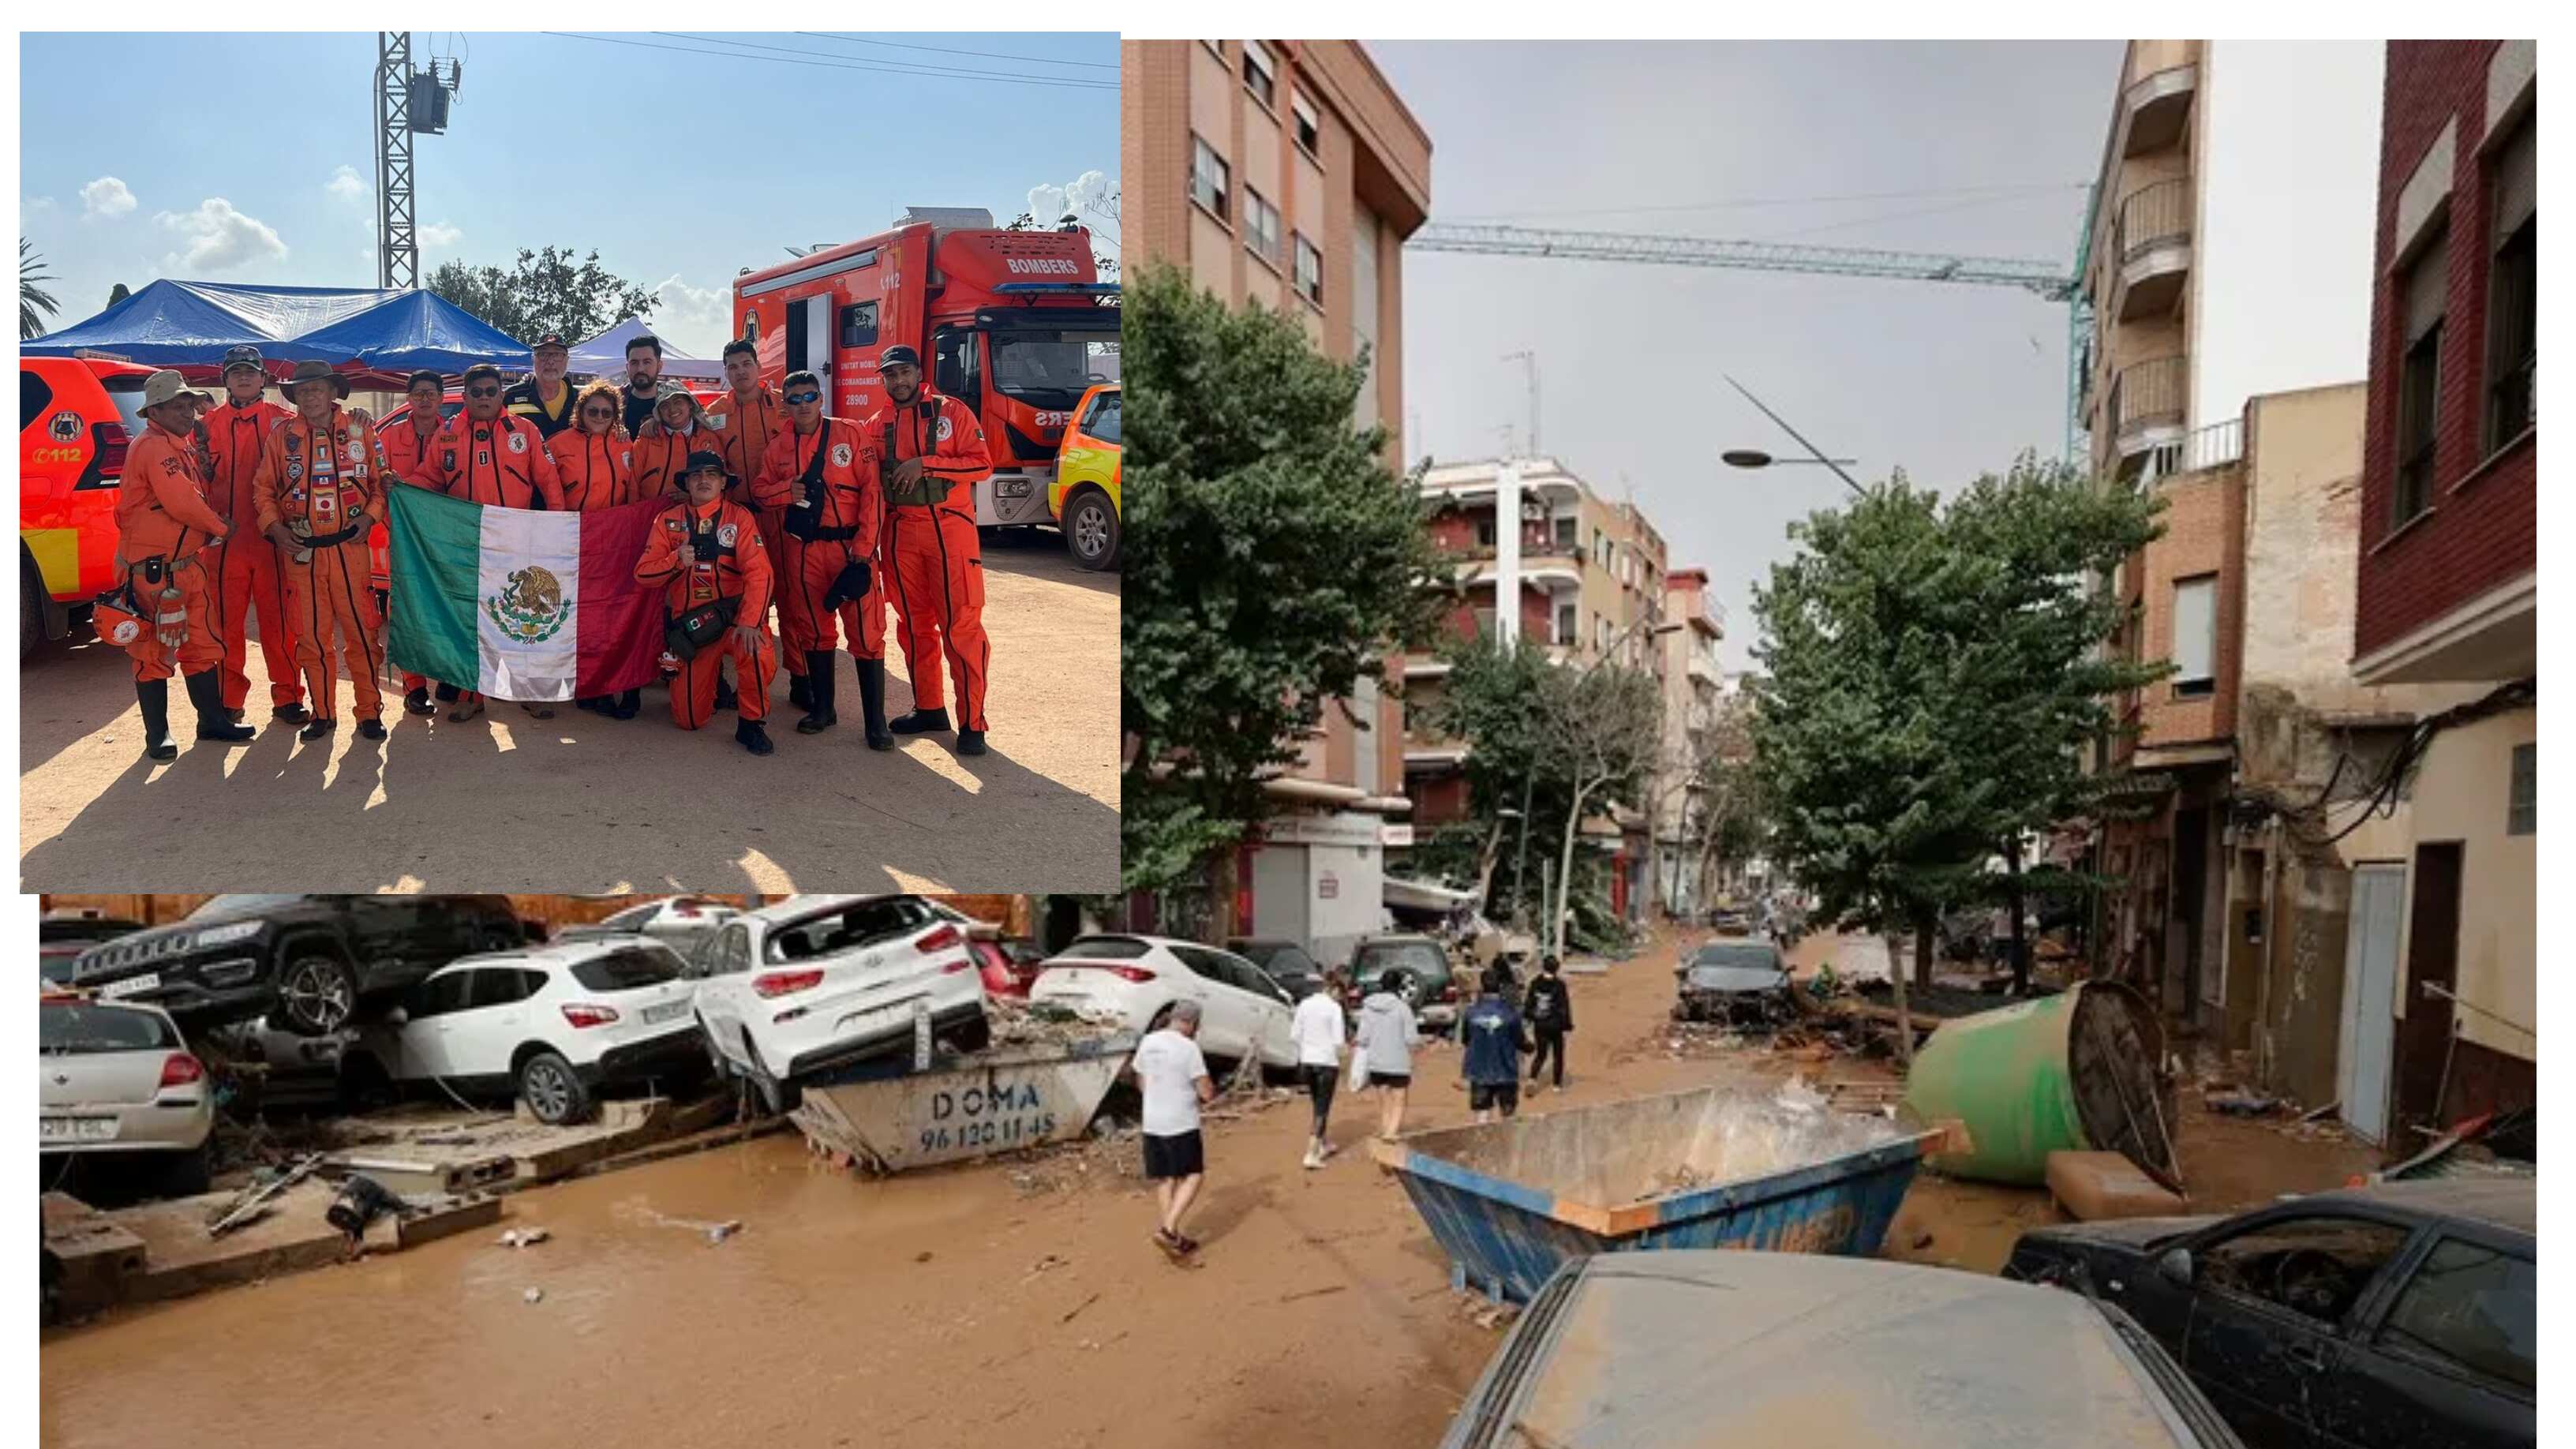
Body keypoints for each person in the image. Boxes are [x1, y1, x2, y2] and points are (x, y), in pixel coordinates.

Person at [113, 369, 259, 760]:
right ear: (155, 410)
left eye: (189, 405)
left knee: (201, 644)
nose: (188, 413)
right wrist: (219, 527)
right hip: (153, 572)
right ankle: (156, 735)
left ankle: (211, 722)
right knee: (151, 650)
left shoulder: (179, 446)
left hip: (185, 567)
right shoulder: (153, 448)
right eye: (178, 406)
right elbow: (182, 502)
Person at [861, 343, 994, 756]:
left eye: (903, 372)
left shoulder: (951, 412)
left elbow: (983, 465)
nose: (897, 381)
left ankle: (973, 723)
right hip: (900, 535)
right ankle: (930, 707)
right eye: (889, 374)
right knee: (913, 626)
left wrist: (927, 464)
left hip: (949, 533)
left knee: (960, 628)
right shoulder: (875, 423)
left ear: (918, 372)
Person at [251, 360, 394, 743]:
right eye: (302, 390)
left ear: (333, 392)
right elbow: (263, 488)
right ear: (294, 396)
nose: (310, 395)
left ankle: (369, 713)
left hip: (351, 549)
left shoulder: (362, 429)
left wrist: (370, 517)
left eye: (317, 388)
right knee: (311, 638)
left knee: (363, 635)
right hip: (302, 553)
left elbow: (381, 484)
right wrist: (274, 528)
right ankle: (323, 713)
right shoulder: (282, 437)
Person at [753, 369, 889, 746]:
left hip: (851, 550)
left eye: (809, 396)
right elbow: (760, 492)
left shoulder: (850, 433)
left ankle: (875, 723)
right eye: (794, 399)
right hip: (804, 550)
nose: (802, 405)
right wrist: (786, 490)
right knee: (814, 630)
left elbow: (873, 493)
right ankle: (823, 709)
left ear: (821, 398)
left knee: (866, 633)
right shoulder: (778, 447)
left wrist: (863, 552)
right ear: (785, 404)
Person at [431, 362, 567, 721]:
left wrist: (555, 527)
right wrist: (396, 486)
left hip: (516, 539)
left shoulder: (524, 430)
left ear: (501, 394)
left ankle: (528, 691)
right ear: (466, 396)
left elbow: (549, 481)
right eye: (476, 392)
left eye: (491, 391)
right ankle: (471, 694)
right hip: (467, 540)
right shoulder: (446, 434)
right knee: (470, 620)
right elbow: (427, 477)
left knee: (521, 617)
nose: (484, 398)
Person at [634, 449, 777, 754]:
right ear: (686, 483)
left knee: (756, 650)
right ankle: (711, 686)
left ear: (724, 482)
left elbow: (760, 573)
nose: (703, 480)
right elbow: (642, 575)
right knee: (689, 720)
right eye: (696, 475)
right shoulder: (668, 520)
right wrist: (675, 561)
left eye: (711, 474)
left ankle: (751, 724)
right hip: (695, 628)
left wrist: (751, 622)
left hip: (736, 620)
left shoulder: (739, 517)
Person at [200, 344, 306, 726]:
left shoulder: (285, 422)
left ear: (264, 378)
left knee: (280, 625)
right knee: (225, 627)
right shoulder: (205, 425)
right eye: (235, 372)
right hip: (223, 546)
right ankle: (230, 700)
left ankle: (288, 697)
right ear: (225, 379)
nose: (243, 377)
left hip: (272, 543)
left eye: (250, 371)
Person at [706, 338, 800, 708]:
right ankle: (730, 677)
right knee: (734, 594)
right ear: (725, 372)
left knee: (790, 598)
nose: (740, 372)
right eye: (732, 367)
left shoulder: (782, 405)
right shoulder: (715, 412)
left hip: (781, 512)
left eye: (746, 364)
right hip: (737, 516)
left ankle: (800, 677)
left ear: (759, 367)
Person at [549, 380, 642, 717]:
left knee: (606, 614)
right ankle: (582, 685)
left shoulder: (625, 444)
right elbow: (545, 488)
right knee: (575, 613)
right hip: (572, 538)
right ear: (581, 412)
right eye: (593, 411)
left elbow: (634, 490)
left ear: (615, 415)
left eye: (607, 412)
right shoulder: (558, 443)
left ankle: (601, 682)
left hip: (613, 539)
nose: (599, 416)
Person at [377, 369, 449, 717]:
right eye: (418, 393)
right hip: (402, 537)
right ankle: (414, 686)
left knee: (448, 607)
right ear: (409, 398)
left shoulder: (454, 434)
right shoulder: (389, 437)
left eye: (431, 393)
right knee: (405, 611)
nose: (424, 399)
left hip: (445, 537)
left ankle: (450, 675)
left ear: (439, 398)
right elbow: (372, 480)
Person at [1129, 998, 1216, 1261]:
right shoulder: (1189, 1048)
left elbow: (1141, 1079)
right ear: (1191, 1023)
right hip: (1181, 1122)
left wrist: (1157, 1095)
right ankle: (1167, 1231)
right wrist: (1208, 1093)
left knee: (1167, 1178)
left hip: (1153, 1121)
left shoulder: (1148, 1041)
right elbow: (1205, 1091)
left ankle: (1173, 1234)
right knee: (1194, 1175)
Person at [1291, 969, 1350, 1170]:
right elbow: (1338, 1041)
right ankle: (1311, 1153)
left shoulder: (1304, 1005)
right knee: (1322, 1109)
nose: (1341, 999)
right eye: (1340, 995)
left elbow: (1295, 1035)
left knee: (1317, 1104)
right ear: (1334, 989)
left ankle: (1323, 1144)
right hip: (1326, 1063)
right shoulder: (1334, 1008)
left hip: (1307, 1062)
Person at [1354, 972, 1424, 1140]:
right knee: (1399, 1100)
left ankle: (1386, 1130)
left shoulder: (1368, 1008)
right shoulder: (1402, 1008)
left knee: (1385, 1102)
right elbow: (1411, 1039)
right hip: (1398, 1063)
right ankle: (1391, 1133)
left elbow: (1362, 1038)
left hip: (1376, 1062)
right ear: (1399, 987)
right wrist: (1420, 1044)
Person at [1459, 966, 1532, 1124]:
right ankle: (1508, 1146)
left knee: (1482, 1114)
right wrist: (1530, 1048)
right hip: (1506, 1070)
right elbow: (1520, 1041)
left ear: (1482, 986)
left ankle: (1481, 1146)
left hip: (1479, 1071)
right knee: (1508, 1114)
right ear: (1500, 986)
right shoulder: (1511, 1013)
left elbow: (1465, 1040)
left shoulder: (1471, 1013)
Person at [632, 387, 719, 503]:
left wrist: (695, 496)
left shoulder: (708, 439)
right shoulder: (647, 438)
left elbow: (720, 480)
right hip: (649, 514)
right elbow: (632, 481)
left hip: (694, 513)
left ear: (690, 404)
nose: (672, 409)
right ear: (659, 413)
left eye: (678, 402)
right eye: (665, 406)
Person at [500, 334, 581, 441]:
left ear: (567, 360)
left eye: (557, 355)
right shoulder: (510, 397)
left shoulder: (580, 400)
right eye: (543, 354)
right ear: (533, 359)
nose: (550, 361)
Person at [1523, 954, 1574, 1093]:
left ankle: (1532, 1079)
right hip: (1555, 1026)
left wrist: (1529, 1018)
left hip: (1540, 1025)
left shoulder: (1535, 983)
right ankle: (1556, 1085)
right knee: (1558, 1055)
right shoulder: (1559, 985)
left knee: (1541, 1054)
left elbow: (1529, 1004)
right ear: (1556, 969)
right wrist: (1568, 1025)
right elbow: (1564, 1006)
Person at [620, 333, 670, 437]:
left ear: (659, 366)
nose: (640, 369)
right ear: (627, 367)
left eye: (647, 362)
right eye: (634, 363)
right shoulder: (614, 401)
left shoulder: (675, 402)